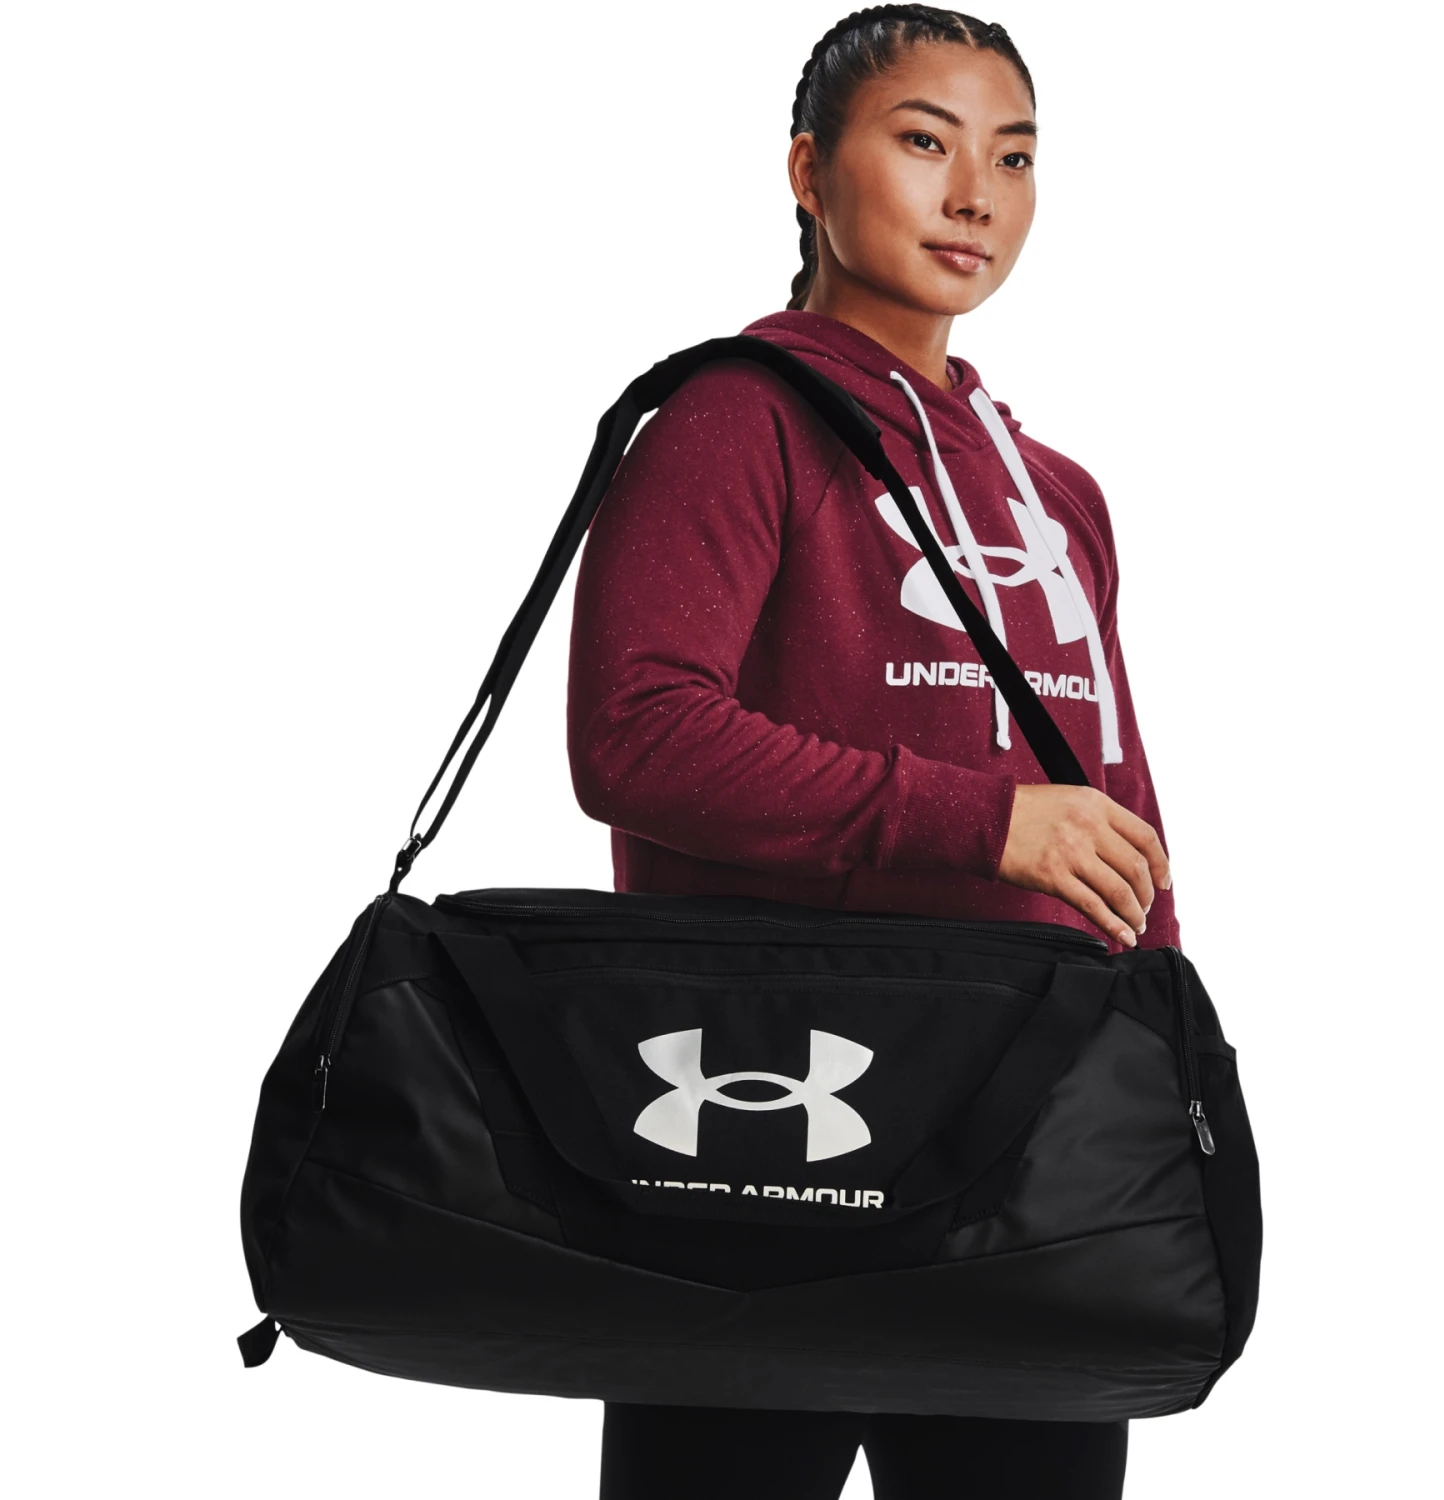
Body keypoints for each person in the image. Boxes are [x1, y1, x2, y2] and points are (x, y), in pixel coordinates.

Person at [565, 7, 1175, 1497]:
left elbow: (1116, 810)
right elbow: (635, 738)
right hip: (763, 1126)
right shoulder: (732, 418)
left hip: (1027, 1144)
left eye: (1013, 157)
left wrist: (1164, 1063)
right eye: (923, 141)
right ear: (807, 172)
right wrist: (987, 823)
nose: (975, 195)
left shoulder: (1060, 495)